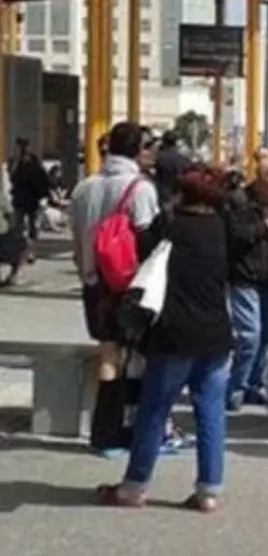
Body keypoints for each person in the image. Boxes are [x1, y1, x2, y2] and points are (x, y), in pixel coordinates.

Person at [95, 164, 234, 512]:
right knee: (211, 412)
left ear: (182, 194)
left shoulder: (170, 225)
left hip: (174, 333)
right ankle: (209, 491)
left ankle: (134, 486)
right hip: (216, 332)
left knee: (154, 409)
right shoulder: (222, 228)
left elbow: (141, 256)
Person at [68, 122, 162, 455]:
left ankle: (103, 430)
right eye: (149, 144)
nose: (153, 151)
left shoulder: (84, 187)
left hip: (95, 285)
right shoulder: (141, 189)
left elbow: (77, 241)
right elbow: (148, 240)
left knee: (108, 354)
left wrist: (88, 274)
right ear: (137, 149)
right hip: (130, 285)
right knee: (140, 358)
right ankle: (134, 429)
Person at [223, 165, 268, 411]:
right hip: (245, 275)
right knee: (250, 334)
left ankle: (256, 384)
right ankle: (234, 387)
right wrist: (266, 227)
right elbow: (235, 235)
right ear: (261, 180)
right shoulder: (239, 201)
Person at [9, 137, 50, 243]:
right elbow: (11, 176)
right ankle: (19, 247)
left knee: (31, 224)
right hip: (19, 197)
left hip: (30, 197)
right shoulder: (14, 161)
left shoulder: (33, 160)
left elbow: (40, 177)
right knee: (19, 224)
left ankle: (30, 247)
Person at [152, 130, 192, 205]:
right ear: (176, 142)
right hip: (178, 196)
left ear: (163, 141)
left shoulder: (158, 157)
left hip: (161, 195)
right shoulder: (184, 159)